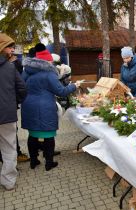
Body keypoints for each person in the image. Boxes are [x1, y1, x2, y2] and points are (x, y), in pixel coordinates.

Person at [21, 43, 79, 171]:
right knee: (48, 135)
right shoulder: (49, 73)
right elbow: (61, 91)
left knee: (32, 134)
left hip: (29, 106)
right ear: (48, 60)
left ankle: (34, 161)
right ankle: (49, 163)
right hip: (44, 107)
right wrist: (74, 86)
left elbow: (20, 87)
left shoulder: (26, 71)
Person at [0, 33, 27, 190]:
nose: (12, 50)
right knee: (9, 148)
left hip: (7, 114)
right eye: (10, 47)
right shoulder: (10, 68)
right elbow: (22, 89)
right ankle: (8, 182)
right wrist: (14, 102)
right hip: (7, 115)